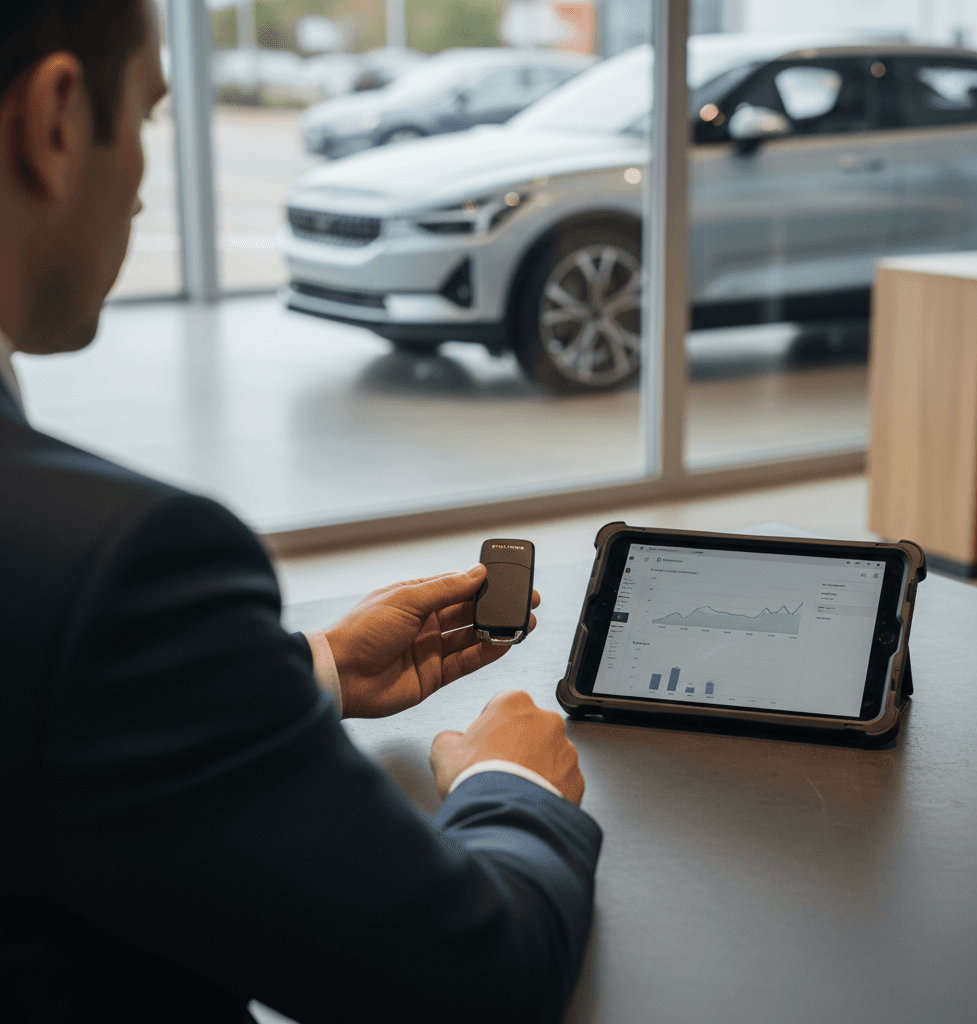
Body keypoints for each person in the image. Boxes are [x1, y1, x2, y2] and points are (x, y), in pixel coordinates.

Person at [0, 3, 602, 1021]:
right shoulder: (116, 566)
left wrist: (303, 670)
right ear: (56, 118)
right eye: (146, 120)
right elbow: (473, 984)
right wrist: (513, 782)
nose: (145, 184)